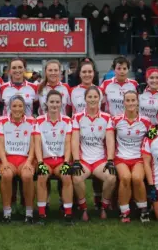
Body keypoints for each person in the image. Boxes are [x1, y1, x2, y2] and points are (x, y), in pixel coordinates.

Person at [71, 86, 117, 221]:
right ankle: (84, 209)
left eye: (95, 97)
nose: (92, 99)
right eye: (89, 97)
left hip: (100, 160)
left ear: (100, 99)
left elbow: (110, 141)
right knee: (77, 178)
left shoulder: (107, 117)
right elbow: (74, 140)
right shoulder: (77, 117)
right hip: (83, 160)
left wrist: (110, 160)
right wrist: (76, 161)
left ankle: (103, 207)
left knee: (111, 177)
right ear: (85, 99)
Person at [33, 90, 74, 225]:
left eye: (57, 102)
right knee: (42, 176)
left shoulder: (67, 121)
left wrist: (67, 162)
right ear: (46, 103)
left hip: (61, 160)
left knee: (67, 175)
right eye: (52, 102)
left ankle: (68, 214)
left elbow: (68, 144)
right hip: (45, 160)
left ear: (61, 104)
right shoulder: (39, 120)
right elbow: (37, 144)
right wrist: (40, 163)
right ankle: (42, 214)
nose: (54, 105)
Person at [112, 91, 151, 223]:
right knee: (125, 178)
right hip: (121, 157)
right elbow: (109, 138)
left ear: (138, 102)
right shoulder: (116, 120)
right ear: (123, 102)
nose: (130, 103)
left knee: (137, 178)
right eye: (127, 100)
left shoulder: (146, 121)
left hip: (138, 158)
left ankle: (143, 210)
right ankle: (124, 211)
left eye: (133, 100)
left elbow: (152, 139)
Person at [0, 96, 36, 223]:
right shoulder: (2, 121)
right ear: (9, 107)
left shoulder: (31, 121)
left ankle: (29, 212)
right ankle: (7, 213)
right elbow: (0, 144)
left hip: (25, 158)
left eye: (20, 106)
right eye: (14, 106)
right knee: (6, 174)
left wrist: (29, 162)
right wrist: (4, 162)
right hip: (8, 158)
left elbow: (33, 145)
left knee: (27, 175)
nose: (17, 109)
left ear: (25, 108)